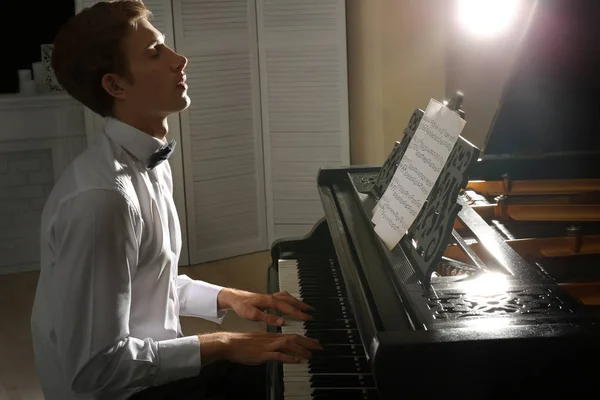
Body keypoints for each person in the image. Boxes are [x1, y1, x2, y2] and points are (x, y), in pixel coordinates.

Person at [29, 1, 322, 399]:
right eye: (155, 53)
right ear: (115, 86)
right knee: (293, 376)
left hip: (144, 373)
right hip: (120, 391)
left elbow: (149, 281)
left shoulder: (147, 160)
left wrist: (231, 297)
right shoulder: (102, 202)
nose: (179, 59)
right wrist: (223, 344)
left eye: (164, 45)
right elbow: (96, 370)